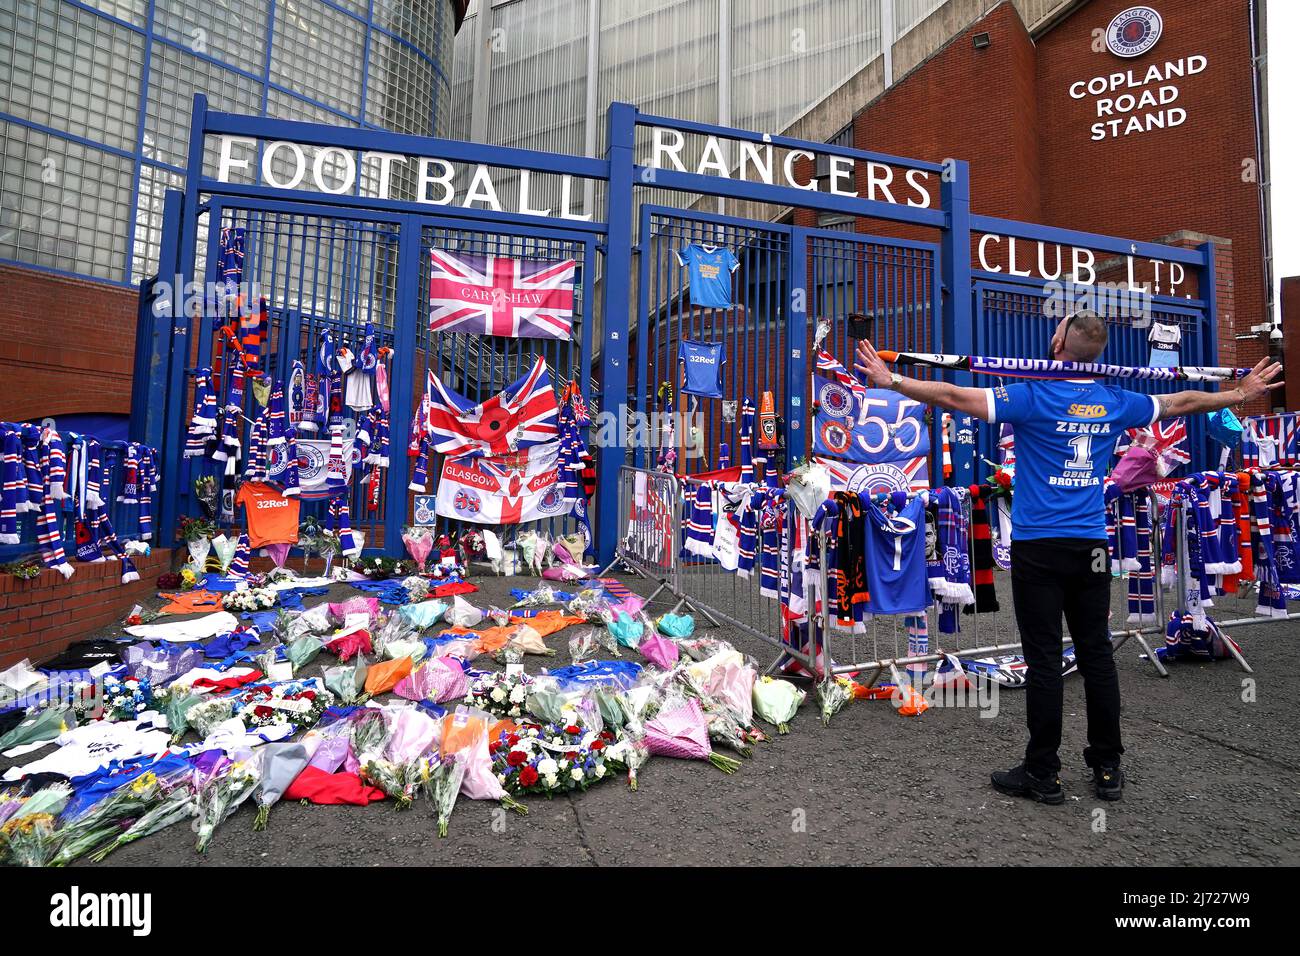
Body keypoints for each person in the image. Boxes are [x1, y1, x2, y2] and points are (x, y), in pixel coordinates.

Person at [853, 311, 1283, 803]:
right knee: (1097, 654)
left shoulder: (1030, 397)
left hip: (1040, 548)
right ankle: (1106, 767)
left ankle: (1043, 774)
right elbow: (1182, 400)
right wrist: (1237, 394)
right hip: (1091, 549)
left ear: (1057, 342)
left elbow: (953, 396)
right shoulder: (1116, 401)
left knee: (1043, 660)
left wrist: (895, 381)